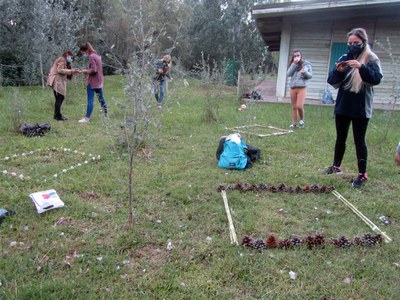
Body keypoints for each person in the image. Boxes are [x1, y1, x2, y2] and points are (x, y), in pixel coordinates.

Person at [326, 28, 383, 188]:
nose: (352, 46)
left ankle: (362, 174)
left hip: (361, 107)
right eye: (349, 43)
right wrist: (338, 71)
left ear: (363, 42)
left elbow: (376, 79)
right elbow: (332, 80)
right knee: (340, 138)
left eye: (356, 43)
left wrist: (361, 67)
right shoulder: (345, 57)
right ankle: (336, 166)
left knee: (360, 141)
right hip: (343, 105)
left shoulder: (371, 58)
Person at [78, 42, 108, 123]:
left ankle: (87, 119)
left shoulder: (91, 56)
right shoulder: (97, 55)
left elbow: (94, 70)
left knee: (90, 100)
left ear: (87, 50)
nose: (84, 55)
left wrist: (86, 71)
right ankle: (106, 115)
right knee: (101, 98)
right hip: (99, 81)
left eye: (83, 53)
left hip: (93, 82)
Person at [47, 51, 80, 121]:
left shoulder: (63, 60)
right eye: (71, 57)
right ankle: (57, 116)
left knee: (59, 98)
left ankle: (57, 115)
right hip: (57, 80)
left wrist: (72, 71)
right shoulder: (62, 59)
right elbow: (59, 70)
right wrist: (71, 71)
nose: (71, 59)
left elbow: (63, 70)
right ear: (67, 54)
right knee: (60, 97)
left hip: (57, 80)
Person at [286, 50, 312, 128]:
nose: (296, 57)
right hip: (293, 88)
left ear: (301, 56)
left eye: (298, 55)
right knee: (294, 107)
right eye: (295, 56)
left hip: (302, 88)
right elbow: (288, 74)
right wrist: (294, 64)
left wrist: (305, 73)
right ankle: (294, 124)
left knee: (299, 106)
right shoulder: (293, 64)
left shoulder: (306, 64)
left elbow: (310, 76)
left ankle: (302, 120)